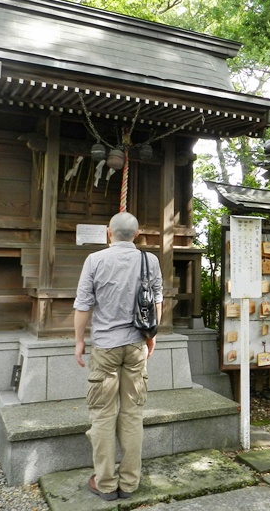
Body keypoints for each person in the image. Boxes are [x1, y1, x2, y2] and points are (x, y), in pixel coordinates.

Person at [74, 212, 163, 501]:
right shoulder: (150, 261)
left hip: (105, 346)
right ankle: (130, 482)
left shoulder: (95, 261)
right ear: (136, 235)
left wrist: (78, 341)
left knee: (102, 414)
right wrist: (152, 337)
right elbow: (156, 299)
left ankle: (106, 483)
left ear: (109, 233)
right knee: (132, 413)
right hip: (137, 344)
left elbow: (84, 305)